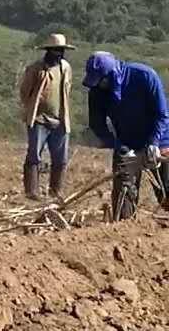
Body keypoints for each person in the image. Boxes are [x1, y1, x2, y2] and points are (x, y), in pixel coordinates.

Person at [84, 50, 169, 213]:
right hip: (126, 143)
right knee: (123, 196)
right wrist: (118, 145)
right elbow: (97, 125)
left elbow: (162, 114)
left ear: (112, 73)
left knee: (166, 189)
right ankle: (124, 222)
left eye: (102, 80)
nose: (100, 85)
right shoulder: (96, 92)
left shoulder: (144, 76)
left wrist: (154, 143)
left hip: (160, 138)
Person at [18, 34, 74, 199]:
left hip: (60, 120)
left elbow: (67, 90)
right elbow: (25, 92)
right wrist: (31, 109)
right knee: (34, 156)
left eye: (61, 50)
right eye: (55, 50)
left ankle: (56, 192)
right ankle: (32, 192)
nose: (58, 53)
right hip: (39, 119)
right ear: (48, 51)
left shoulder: (66, 68)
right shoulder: (35, 69)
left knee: (60, 158)